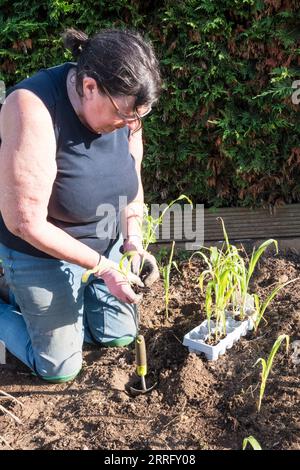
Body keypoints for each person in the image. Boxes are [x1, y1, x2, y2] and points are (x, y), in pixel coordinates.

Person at [0, 28, 161, 383]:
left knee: (117, 336)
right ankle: (14, 294)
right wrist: (104, 267)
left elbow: (131, 184)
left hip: (105, 243)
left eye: (138, 117)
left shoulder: (126, 109)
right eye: (125, 116)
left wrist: (132, 241)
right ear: (90, 87)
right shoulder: (33, 107)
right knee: (60, 368)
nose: (131, 125)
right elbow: (24, 222)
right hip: (40, 252)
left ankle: (50, 298)